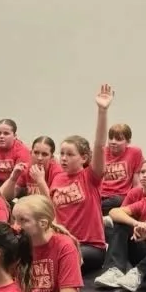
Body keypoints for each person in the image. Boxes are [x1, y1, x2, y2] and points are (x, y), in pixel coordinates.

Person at [24, 84, 114, 276]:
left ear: (83, 158)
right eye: (62, 153)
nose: (64, 158)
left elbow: (99, 146)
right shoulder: (57, 176)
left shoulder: (90, 176)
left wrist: (102, 111)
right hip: (62, 241)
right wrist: (41, 182)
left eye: (70, 154)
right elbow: (51, 209)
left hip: (89, 246)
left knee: (61, 258)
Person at [10, 195, 83, 292]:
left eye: (23, 220)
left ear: (43, 223)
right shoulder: (16, 244)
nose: (15, 226)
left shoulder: (64, 246)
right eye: (14, 219)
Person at [98, 122, 144, 213]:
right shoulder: (101, 152)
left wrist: (138, 200)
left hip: (120, 197)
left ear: (128, 141)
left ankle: (96, 210)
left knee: (115, 201)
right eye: (111, 138)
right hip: (100, 196)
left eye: (118, 139)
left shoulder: (135, 153)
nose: (113, 142)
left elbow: (137, 182)